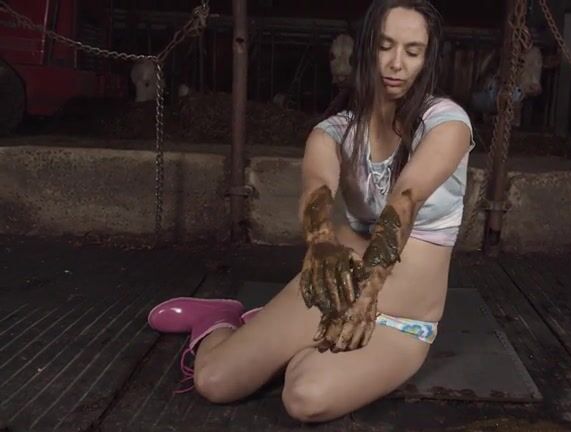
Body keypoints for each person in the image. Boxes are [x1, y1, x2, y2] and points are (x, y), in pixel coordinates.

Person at [147, 0, 474, 423]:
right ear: (366, 49)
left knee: (305, 396)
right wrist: (320, 241)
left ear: (427, 59)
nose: (396, 63)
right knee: (214, 382)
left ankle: (280, 337)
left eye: (412, 51)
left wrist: (370, 292)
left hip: (403, 321)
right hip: (334, 295)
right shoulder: (332, 132)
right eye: (385, 46)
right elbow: (316, 192)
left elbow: (405, 199)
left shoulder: (446, 123)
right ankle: (219, 320)